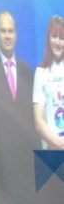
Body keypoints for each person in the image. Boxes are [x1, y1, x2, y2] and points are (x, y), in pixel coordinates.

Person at [0, 10, 38, 150]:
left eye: (10, 31)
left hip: (25, 153)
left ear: (16, 35)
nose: (7, 36)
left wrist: (37, 156)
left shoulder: (27, 70)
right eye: (3, 31)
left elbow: (32, 120)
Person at [32, 15, 64, 150]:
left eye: (61, 38)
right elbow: (38, 121)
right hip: (53, 151)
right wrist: (59, 144)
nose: (57, 42)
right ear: (48, 39)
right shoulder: (41, 72)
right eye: (54, 36)